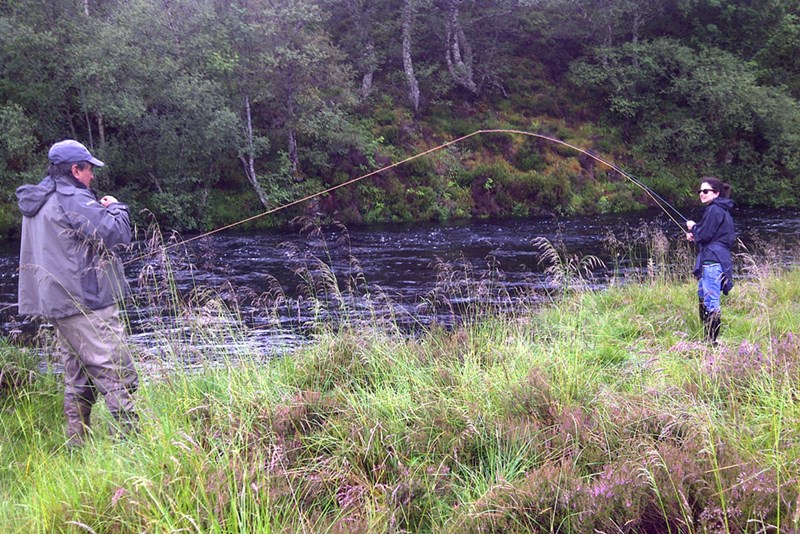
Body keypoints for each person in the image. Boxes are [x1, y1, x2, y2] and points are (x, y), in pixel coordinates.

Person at [17, 139, 138, 447]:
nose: (92, 176)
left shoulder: (38, 200)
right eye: (88, 170)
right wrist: (116, 207)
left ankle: (77, 446)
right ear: (75, 170)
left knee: (78, 377)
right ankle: (131, 444)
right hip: (87, 302)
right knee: (116, 371)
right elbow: (116, 236)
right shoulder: (72, 197)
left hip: (59, 304)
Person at [685, 176, 735, 345]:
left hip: (713, 261)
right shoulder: (719, 209)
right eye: (700, 191)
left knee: (711, 301)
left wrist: (693, 227)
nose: (702, 193)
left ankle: (711, 342)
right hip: (714, 258)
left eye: (706, 191)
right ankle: (707, 338)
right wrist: (695, 234)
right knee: (703, 297)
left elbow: (705, 234)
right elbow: (710, 235)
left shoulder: (714, 209)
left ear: (717, 193)